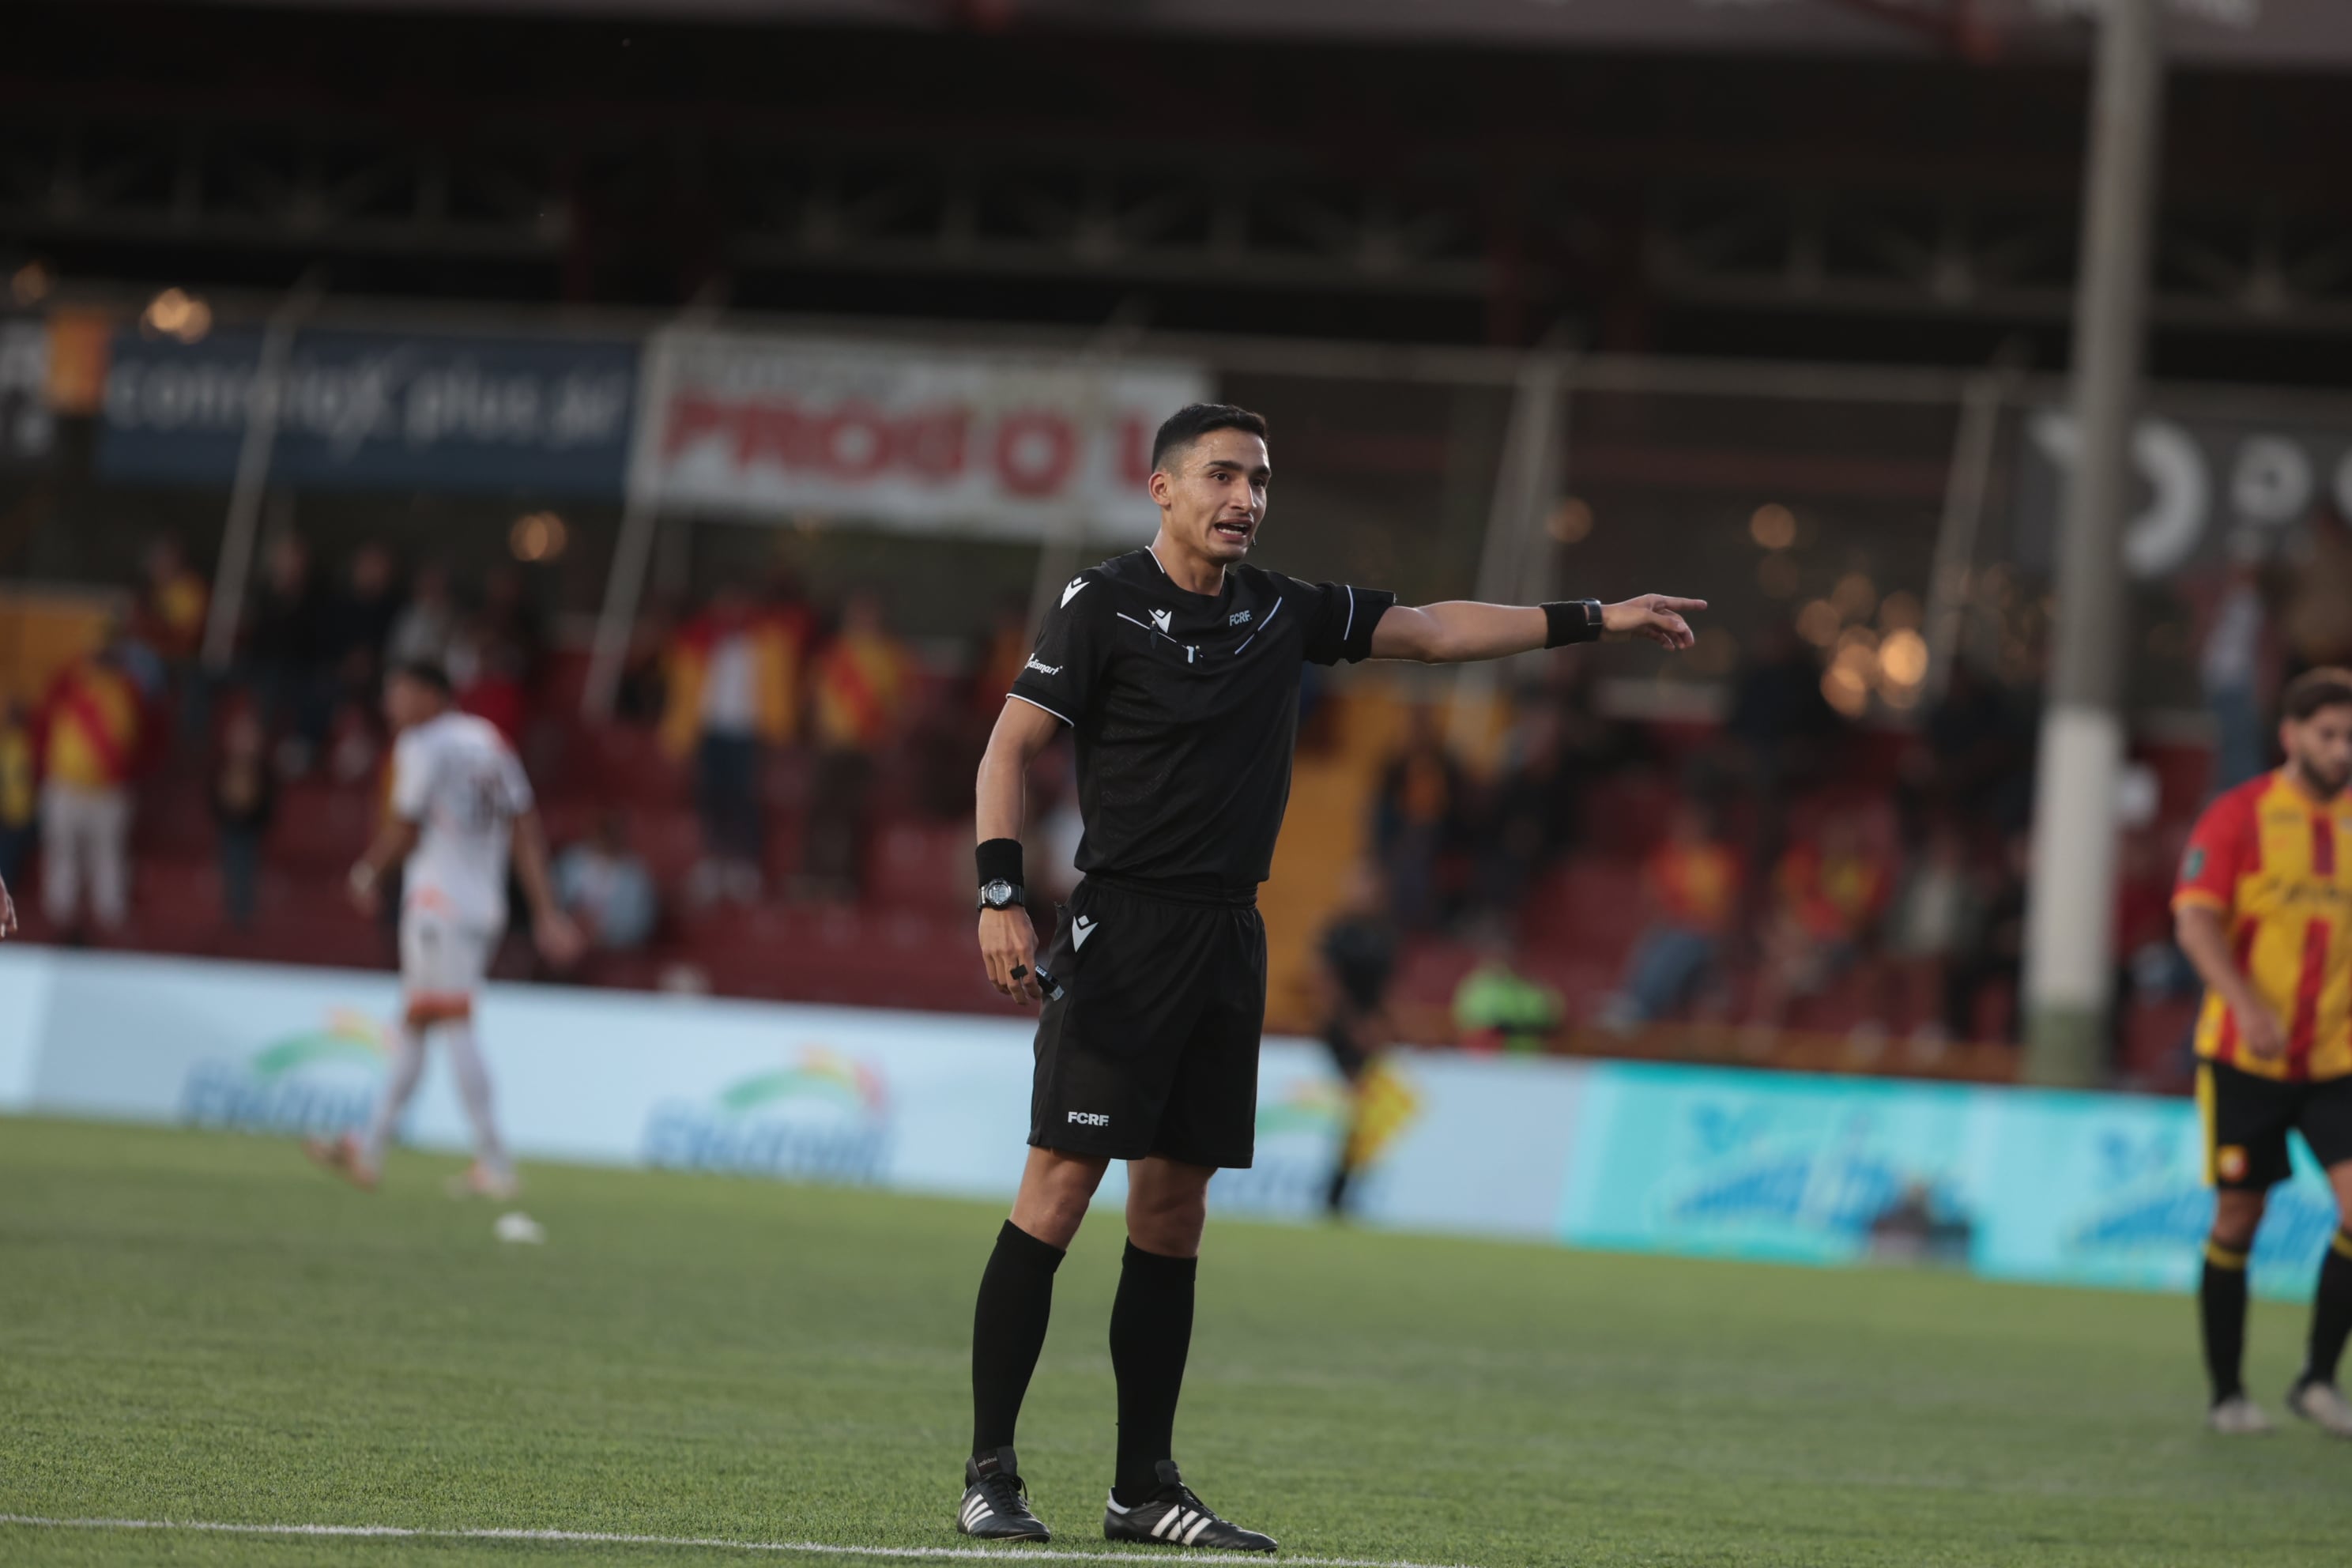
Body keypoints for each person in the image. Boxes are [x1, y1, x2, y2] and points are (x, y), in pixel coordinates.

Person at [959, 401, 1702, 1547]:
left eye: (1257, 480)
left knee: (1175, 1212)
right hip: (1124, 931)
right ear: (1163, 490)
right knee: (1059, 1193)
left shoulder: (1282, 611)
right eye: (1221, 477)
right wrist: (1002, 895)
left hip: (1227, 939)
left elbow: (1440, 632)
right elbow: (1010, 746)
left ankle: (1142, 1488)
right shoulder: (1103, 605)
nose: (1244, 499)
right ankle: (991, 1474)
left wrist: (1595, 618)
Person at [307, 661, 583, 1201]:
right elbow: (524, 826)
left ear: (432, 695)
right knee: (417, 1019)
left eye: (400, 693)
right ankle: (371, 1148)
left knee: (452, 1020)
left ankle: (496, 1162)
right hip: (483, 903)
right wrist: (545, 910)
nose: (392, 706)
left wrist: (367, 874)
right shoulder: (489, 741)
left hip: (437, 902)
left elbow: (406, 825)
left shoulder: (422, 745)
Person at [2173, 665, 2352, 1438]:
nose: (2344, 750)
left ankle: (2317, 1379)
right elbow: (2196, 920)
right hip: (2244, 1059)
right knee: (2240, 1216)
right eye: (2329, 734)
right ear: (2291, 735)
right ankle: (2227, 1395)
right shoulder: (2239, 815)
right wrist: (2246, 1004)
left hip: (2338, 1060)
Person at [662, 584, 804, 905]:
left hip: (748, 731)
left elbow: (781, 686)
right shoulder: (702, 639)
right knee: (711, 796)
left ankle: (744, 865)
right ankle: (714, 863)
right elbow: (682, 686)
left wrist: (780, 730)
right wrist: (679, 733)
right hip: (711, 729)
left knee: (744, 798)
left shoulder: (768, 641)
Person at [804, 590, 914, 899]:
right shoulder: (832, 653)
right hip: (831, 746)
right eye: (857, 613)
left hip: (867, 749)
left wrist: (890, 738)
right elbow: (813, 698)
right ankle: (811, 877)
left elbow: (902, 703)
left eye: (868, 613)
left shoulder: (893, 656)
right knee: (819, 814)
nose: (862, 620)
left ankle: (845, 882)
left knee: (853, 818)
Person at [1602, 802, 1742, 1029]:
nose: (1683, 830)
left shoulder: (1718, 861)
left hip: (1706, 935)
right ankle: (1633, 1005)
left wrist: (1696, 922)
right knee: (1657, 941)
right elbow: (1654, 902)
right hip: (1673, 931)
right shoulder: (1666, 857)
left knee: (1680, 941)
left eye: (1690, 825)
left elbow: (1726, 911)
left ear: (1703, 827)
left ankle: (1638, 1009)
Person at [39, 635, 143, 937]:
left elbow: (134, 739)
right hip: (66, 785)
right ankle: (59, 909)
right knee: (62, 849)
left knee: (107, 853)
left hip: (108, 791)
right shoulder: (70, 685)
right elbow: (46, 720)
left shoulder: (125, 691)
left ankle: (109, 910)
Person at [1313, 864, 1398, 1217]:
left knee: (1363, 1114)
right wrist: (1353, 1026)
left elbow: (1387, 989)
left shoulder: (1385, 935)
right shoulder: (1338, 932)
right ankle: (1335, 1193)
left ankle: (1342, 1191)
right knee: (1353, 1109)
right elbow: (1326, 983)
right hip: (1342, 1032)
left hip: (1370, 1032)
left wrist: (1382, 1025)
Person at [554, 811, 658, 952]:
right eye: (603, 834)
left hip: (612, 949)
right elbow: (550, 901)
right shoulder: (570, 860)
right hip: (567, 937)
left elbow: (640, 924)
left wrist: (604, 932)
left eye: (612, 835)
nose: (606, 840)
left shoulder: (635, 875)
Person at [210, 706, 276, 930]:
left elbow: (269, 801)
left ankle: (246, 912)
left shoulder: (264, 770)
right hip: (230, 827)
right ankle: (232, 911)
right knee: (231, 863)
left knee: (248, 865)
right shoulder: (223, 766)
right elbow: (215, 797)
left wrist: (255, 817)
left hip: (252, 828)